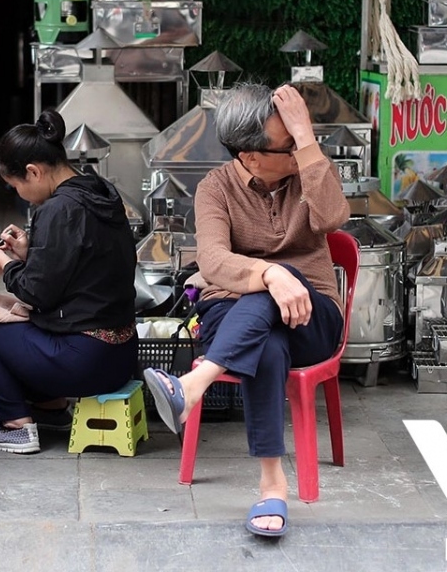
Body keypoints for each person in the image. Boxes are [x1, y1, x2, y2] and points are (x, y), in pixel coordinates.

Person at [142, 83, 350, 538]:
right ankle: (272, 484)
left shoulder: (308, 170)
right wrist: (272, 275)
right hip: (234, 312)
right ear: (249, 156)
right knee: (266, 343)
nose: (297, 149)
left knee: (274, 297)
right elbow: (213, 261)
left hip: (312, 315)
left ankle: (194, 384)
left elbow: (334, 218)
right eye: (287, 144)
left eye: (299, 140)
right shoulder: (215, 189)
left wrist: (308, 140)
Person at [0, 110, 139, 454]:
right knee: (12, 318)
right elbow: (82, 266)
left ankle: (16, 426)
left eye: (16, 187)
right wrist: (30, 252)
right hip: (121, 355)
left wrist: (5, 264)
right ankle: (50, 409)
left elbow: (38, 291)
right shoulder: (100, 191)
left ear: (33, 172)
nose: (20, 194)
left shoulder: (58, 209)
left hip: (84, 362)